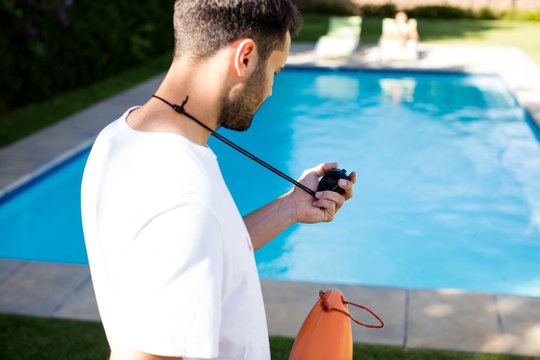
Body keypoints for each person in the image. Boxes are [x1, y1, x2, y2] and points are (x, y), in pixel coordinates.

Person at [81, 1, 356, 359]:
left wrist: (289, 207)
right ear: (245, 57)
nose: (271, 89)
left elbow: (208, 248)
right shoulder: (184, 196)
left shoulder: (120, 136)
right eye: (275, 70)